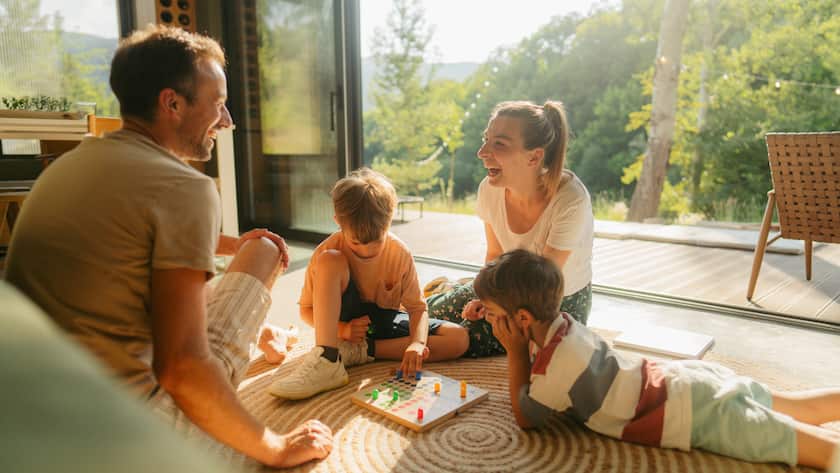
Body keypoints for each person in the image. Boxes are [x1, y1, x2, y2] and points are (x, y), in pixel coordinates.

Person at [5, 25, 331, 468]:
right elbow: (183, 370)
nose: (228, 120)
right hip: (124, 433)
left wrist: (230, 243)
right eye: (218, 104)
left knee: (230, 261)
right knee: (266, 251)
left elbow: (132, 233)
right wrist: (276, 447)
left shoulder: (68, 166)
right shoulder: (186, 188)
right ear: (172, 104)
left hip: (35, 410)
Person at [475, 249, 840, 470]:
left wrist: (515, 352)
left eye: (492, 312)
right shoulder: (563, 325)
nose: (490, 318)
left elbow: (526, 418)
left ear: (522, 319)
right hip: (685, 380)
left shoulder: (558, 361)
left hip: (690, 412)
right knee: (794, 406)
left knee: (816, 450)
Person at [266, 168, 470, 400]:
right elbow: (306, 311)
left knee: (459, 338)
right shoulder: (326, 252)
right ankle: (328, 357)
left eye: (376, 241)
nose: (367, 251)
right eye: (355, 243)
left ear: (390, 220)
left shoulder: (399, 252)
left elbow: (417, 308)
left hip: (382, 322)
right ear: (338, 223)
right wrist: (342, 329)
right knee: (330, 260)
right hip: (341, 326)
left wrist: (416, 343)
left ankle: (360, 353)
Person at [426, 100, 594, 358]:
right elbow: (494, 255)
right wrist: (484, 297)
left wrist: (492, 305)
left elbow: (541, 285)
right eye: (485, 140)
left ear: (535, 156)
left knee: (464, 337)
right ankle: (446, 293)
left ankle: (377, 345)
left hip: (551, 303)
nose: (482, 152)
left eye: (499, 144)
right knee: (429, 313)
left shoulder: (571, 199)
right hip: (505, 286)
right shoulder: (489, 189)